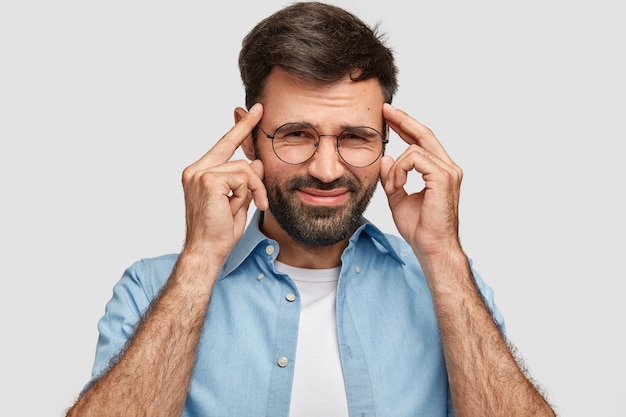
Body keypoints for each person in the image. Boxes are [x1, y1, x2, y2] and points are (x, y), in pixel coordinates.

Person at [66, 2, 555, 416]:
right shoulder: (151, 290)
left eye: (354, 138)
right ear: (248, 137)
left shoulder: (450, 289)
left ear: (388, 142)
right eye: (295, 135)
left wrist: (443, 254)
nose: (325, 169)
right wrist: (199, 260)